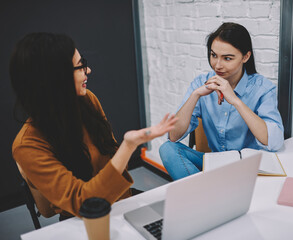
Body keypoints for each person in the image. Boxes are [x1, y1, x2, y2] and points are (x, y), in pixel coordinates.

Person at [10, 32, 177, 220]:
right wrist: (129, 145)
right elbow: (84, 203)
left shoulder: (87, 100)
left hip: (121, 201)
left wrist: (125, 149)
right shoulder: (27, 145)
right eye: (81, 66)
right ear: (56, 79)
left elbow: (114, 161)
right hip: (84, 219)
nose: (88, 71)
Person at [159, 22, 284, 180]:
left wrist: (235, 101)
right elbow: (174, 136)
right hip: (216, 163)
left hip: (249, 166)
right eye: (213, 55)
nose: (217, 65)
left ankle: (204, 196)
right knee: (167, 149)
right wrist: (195, 95)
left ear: (245, 56)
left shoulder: (263, 88)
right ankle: (206, 195)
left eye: (227, 58)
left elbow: (275, 142)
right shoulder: (201, 83)